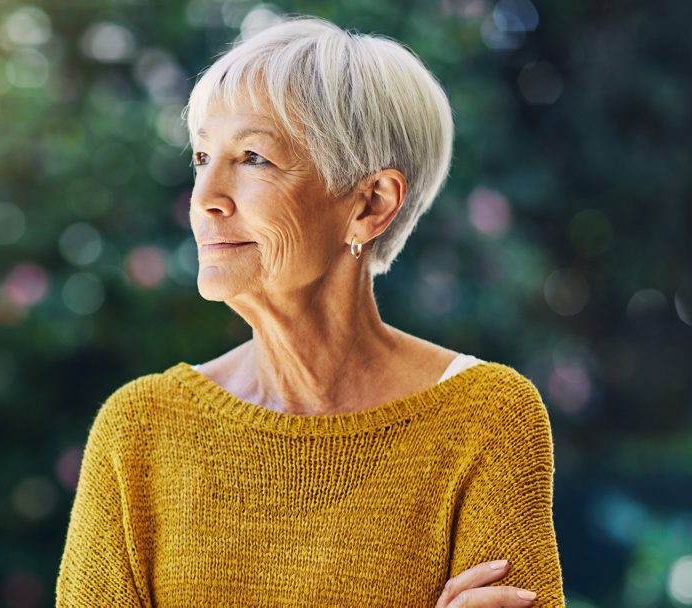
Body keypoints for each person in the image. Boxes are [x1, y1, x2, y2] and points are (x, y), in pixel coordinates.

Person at [55, 15, 565, 608]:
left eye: (252, 158)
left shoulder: (487, 420)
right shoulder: (138, 432)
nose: (204, 199)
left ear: (371, 205)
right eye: (200, 157)